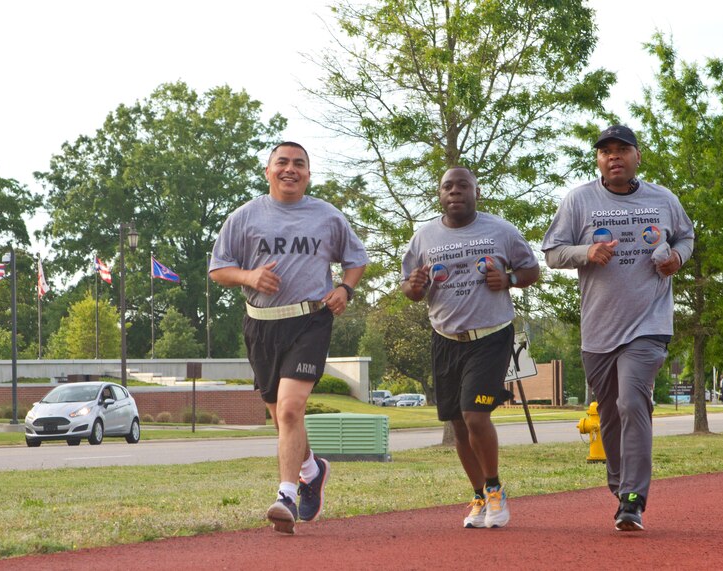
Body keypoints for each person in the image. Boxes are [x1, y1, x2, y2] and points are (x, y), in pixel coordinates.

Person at [209, 141, 368, 534]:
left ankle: (285, 495)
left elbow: (356, 259)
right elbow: (218, 270)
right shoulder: (244, 217)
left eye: (299, 164)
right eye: (282, 162)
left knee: (291, 409)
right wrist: (249, 276)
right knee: (280, 416)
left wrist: (345, 290)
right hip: (260, 324)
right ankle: (312, 470)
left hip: (310, 320)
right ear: (268, 171)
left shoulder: (327, 216)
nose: (290, 169)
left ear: (308, 174)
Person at [541, 125, 694, 532]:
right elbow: (553, 253)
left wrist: (676, 258)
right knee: (609, 413)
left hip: (649, 323)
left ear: (637, 156)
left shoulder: (663, 199)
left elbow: (686, 237)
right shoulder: (579, 200)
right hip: (599, 330)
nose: (614, 157)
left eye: (622, 150)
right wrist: (585, 251)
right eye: (606, 151)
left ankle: (633, 499)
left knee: (631, 402)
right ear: (598, 160)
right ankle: (619, 486)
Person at [401, 166, 540, 529]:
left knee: (475, 416)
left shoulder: (502, 230)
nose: (455, 191)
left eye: (463, 185)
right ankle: (479, 495)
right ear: (440, 194)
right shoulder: (424, 237)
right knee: (458, 425)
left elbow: (531, 270)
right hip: (446, 339)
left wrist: (509, 278)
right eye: (448, 186)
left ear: (477, 192)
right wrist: (414, 286)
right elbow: (409, 287)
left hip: (491, 336)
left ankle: (495, 489)